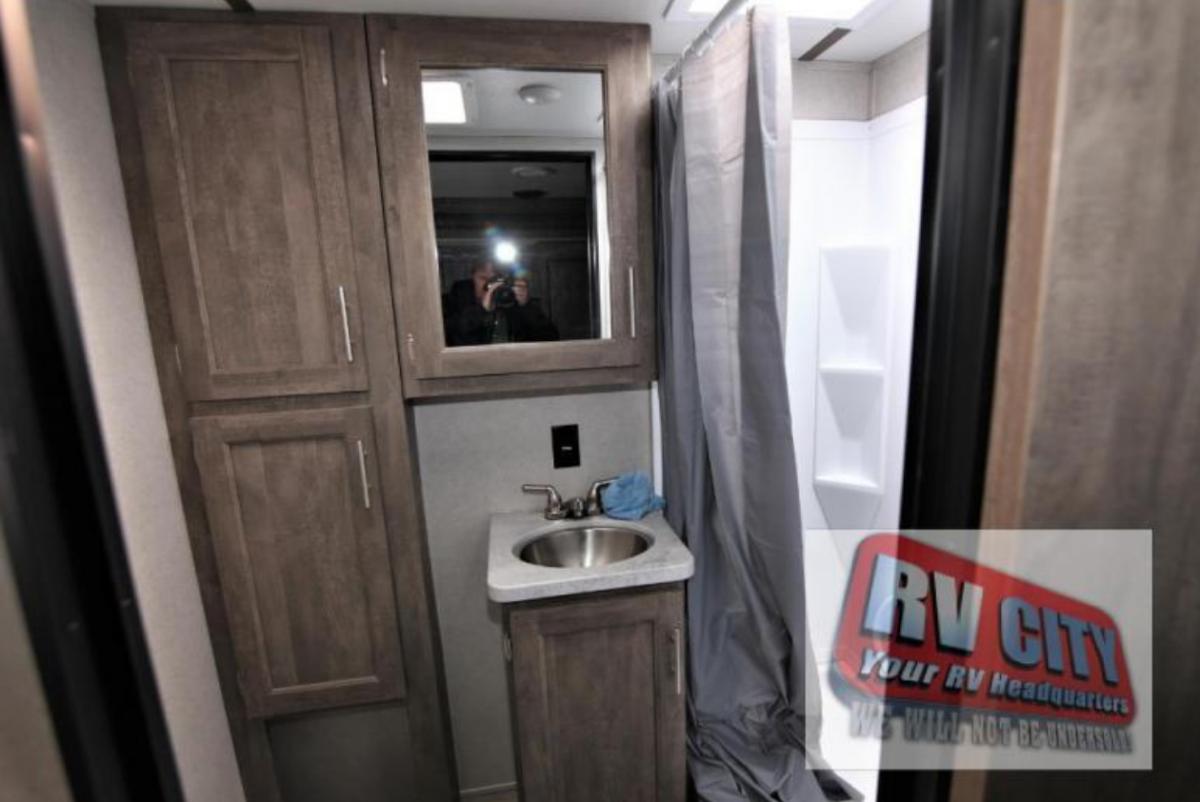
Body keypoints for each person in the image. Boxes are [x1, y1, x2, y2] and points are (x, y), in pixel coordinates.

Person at [442, 261, 559, 346]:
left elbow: (551, 337)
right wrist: (481, 310)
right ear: (473, 278)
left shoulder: (511, 302)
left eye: (494, 280)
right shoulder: (457, 300)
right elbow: (449, 336)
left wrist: (526, 306)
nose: (489, 285)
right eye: (483, 278)